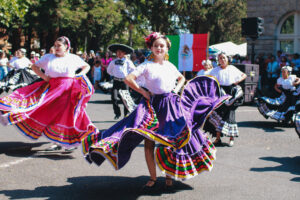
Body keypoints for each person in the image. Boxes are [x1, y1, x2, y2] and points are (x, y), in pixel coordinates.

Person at [81, 32, 229, 189]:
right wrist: (144, 92)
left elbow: (181, 79)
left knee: (171, 141)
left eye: (162, 46)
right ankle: (153, 177)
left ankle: (169, 175)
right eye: (156, 45)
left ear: (166, 49)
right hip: (152, 106)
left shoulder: (170, 66)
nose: (159, 48)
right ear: (151, 48)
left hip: (170, 106)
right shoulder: (146, 65)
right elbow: (128, 79)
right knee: (148, 143)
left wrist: (175, 91)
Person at [0, 36, 97, 152]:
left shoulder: (73, 58)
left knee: (69, 115)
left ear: (67, 47)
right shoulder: (48, 57)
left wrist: (79, 75)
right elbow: (34, 66)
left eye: (59, 45)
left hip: (69, 89)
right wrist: (44, 77)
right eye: (55, 45)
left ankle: (67, 142)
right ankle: (57, 141)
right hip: (52, 88)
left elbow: (87, 66)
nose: (56, 48)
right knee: (48, 113)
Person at [204, 52, 247, 147]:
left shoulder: (232, 68)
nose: (222, 60)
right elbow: (209, 80)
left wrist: (237, 82)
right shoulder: (215, 70)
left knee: (230, 115)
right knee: (218, 115)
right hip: (220, 93)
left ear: (227, 59)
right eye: (220, 58)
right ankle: (218, 138)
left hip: (231, 93)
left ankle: (231, 138)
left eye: (224, 58)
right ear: (218, 60)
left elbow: (244, 75)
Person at [106, 44, 136, 119]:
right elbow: (109, 71)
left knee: (125, 99)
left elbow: (134, 70)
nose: (119, 53)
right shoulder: (113, 62)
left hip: (124, 82)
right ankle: (117, 113)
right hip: (116, 81)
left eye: (121, 52)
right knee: (114, 98)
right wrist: (115, 75)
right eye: (117, 52)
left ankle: (126, 115)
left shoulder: (128, 62)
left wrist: (128, 77)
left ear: (124, 53)